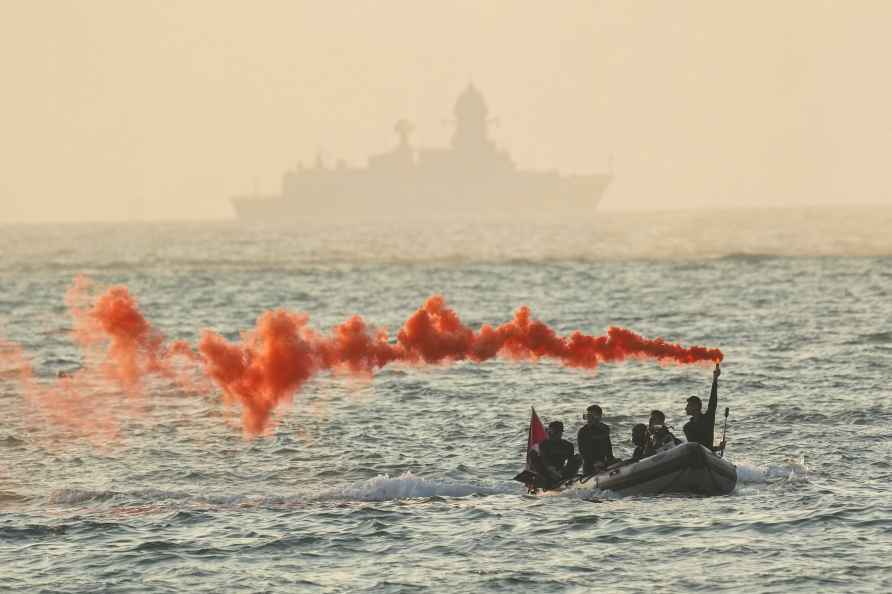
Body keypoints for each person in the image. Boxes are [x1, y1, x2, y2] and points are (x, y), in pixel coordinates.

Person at [684, 363, 726, 452]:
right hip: (697, 455)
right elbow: (695, 447)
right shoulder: (687, 427)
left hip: (709, 454)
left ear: (696, 406)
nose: (686, 408)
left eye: (688, 405)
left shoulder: (708, 418)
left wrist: (715, 380)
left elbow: (713, 402)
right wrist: (718, 448)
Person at [532, 420, 581, 488]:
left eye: (552, 432)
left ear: (560, 433)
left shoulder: (568, 445)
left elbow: (570, 462)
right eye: (548, 431)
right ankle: (543, 483)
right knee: (533, 455)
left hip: (561, 472)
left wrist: (565, 472)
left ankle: (568, 480)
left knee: (578, 457)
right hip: (546, 472)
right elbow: (545, 459)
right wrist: (552, 470)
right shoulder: (544, 444)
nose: (549, 434)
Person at [577, 404, 618, 475]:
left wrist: (611, 459)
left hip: (603, 462)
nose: (589, 419)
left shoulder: (604, 428)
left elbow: (608, 447)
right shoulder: (583, 431)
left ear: (599, 417)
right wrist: (594, 463)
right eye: (588, 416)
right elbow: (583, 451)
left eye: (592, 416)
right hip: (589, 464)